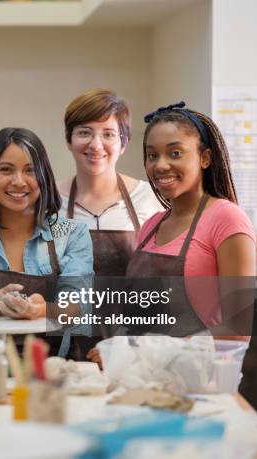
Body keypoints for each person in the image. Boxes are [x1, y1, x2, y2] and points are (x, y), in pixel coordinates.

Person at [0, 127, 93, 360]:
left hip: (50, 374)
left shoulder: (72, 234)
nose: (18, 181)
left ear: (44, 176)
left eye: (30, 170)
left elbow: (78, 309)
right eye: (6, 170)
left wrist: (40, 310)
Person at [124, 101, 255, 337]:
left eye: (175, 153)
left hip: (203, 371)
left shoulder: (226, 219)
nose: (161, 165)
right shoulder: (151, 226)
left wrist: (156, 350)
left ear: (205, 158)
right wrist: (122, 346)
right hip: (145, 370)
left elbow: (238, 329)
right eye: (152, 155)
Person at [58, 89, 162, 360]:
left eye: (108, 133)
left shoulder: (151, 201)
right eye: (84, 132)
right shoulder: (49, 203)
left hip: (133, 350)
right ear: (69, 140)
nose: (96, 144)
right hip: (63, 348)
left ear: (123, 143)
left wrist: (126, 345)